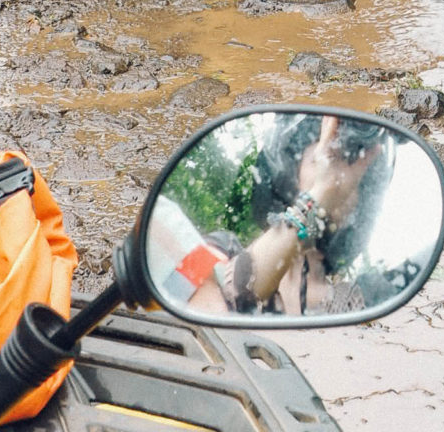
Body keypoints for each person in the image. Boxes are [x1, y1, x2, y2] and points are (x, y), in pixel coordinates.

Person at [169, 114, 396, 320]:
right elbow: (219, 301)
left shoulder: (356, 301)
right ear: (288, 172)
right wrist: (318, 196)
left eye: (353, 170)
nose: (338, 178)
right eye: (326, 158)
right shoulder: (221, 247)